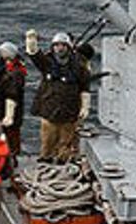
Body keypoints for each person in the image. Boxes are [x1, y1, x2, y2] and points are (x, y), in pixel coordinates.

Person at [26, 30, 89, 162]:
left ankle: (62, 162)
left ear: (68, 47)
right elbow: (35, 55)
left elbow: (84, 88)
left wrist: (85, 106)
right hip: (49, 108)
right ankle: (46, 159)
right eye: (56, 45)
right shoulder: (47, 63)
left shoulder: (79, 66)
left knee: (65, 141)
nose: (59, 48)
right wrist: (31, 41)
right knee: (48, 139)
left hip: (69, 110)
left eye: (63, 45)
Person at [0, 41, 27, 165]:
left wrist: (9, 114)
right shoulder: (11, 68)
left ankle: (12, 157)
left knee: (11, 133)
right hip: (7, 105)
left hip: (14, 108)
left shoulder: (16, 72)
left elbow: (13, 92)